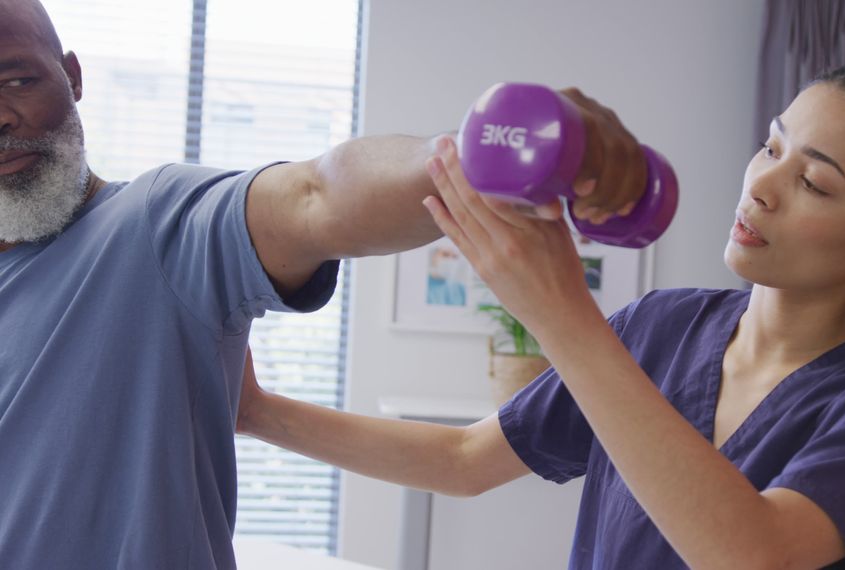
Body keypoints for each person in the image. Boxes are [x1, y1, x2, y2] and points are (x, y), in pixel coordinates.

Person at [238, 62, 845, 569]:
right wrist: (256, 412)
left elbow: (750, 553)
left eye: (815, 183)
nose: (761, 187)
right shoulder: (665, 326)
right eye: (770, 147)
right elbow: (465, 462)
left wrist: (562, 313)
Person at [0, 1, 645, 568]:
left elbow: (318, 195)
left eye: (18, 79)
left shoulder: (154, 225)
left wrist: (484, 153)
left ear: (74, 77)